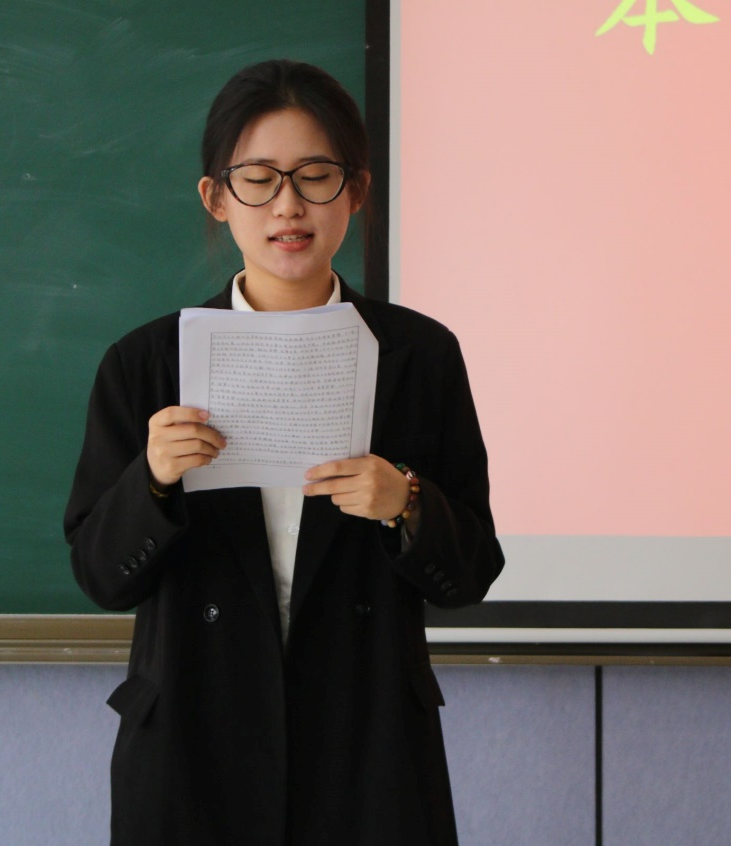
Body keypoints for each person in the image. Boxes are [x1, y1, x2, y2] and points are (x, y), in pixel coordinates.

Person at [63, 59, 504, 846]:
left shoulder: (418, 355)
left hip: (366, 746)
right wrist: (153, 482)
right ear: (216, 197)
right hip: (194, 745)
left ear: (356, 191)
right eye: (259, 179)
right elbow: (100, 575)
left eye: (316, 176)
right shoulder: (146, 363)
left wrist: (405, 503)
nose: (289, 205)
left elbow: (471, 570)